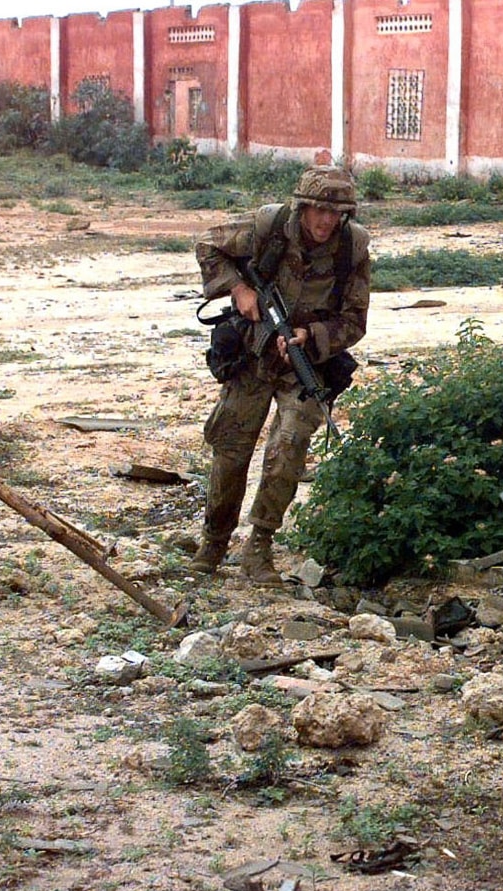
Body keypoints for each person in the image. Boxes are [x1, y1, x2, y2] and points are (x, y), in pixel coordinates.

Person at [187, 163, 370, 583]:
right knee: (231, 446)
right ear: (303, 207)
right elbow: (207, 245)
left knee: (289, 446)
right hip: (252, 354)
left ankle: (260, 545)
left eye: (336, 212)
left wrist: (312, 335)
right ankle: (214, 541)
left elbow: (355, 322)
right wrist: (238, 288)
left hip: (305, 365)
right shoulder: (268, 225)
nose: (327, 220)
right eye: (319, 210)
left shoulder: (353, 249)